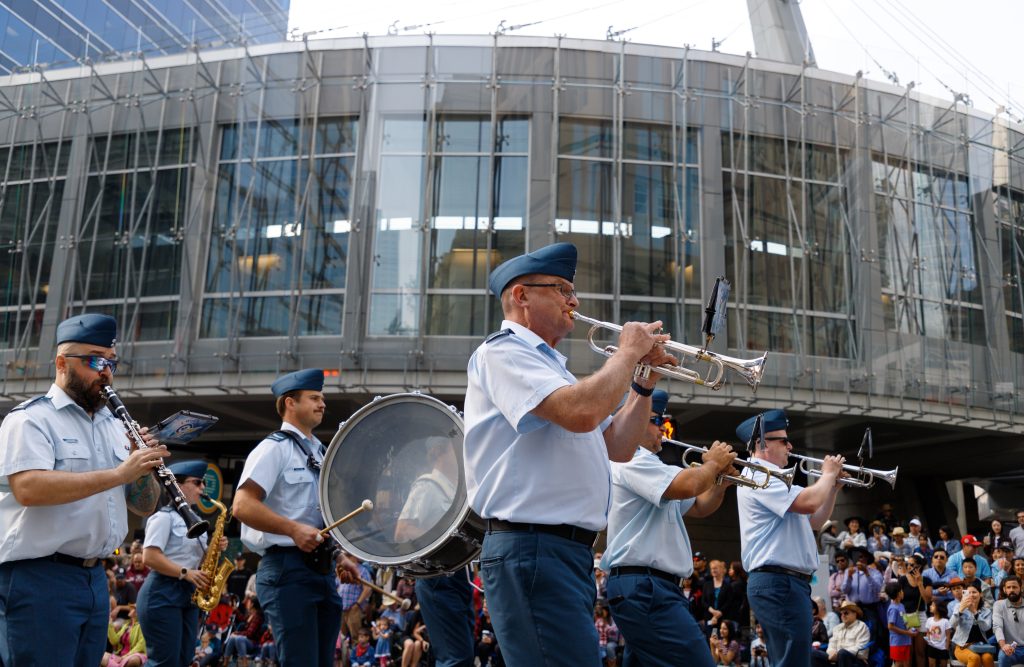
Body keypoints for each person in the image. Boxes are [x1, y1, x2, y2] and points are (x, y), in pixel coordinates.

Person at [463, 242, 673, 665]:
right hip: (532, 545)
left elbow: (619, 446)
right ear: (522, 296)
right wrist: (629, 352)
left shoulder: (554, 368)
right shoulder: (502, 351)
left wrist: (644, 379)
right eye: (561, 289)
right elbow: (580, 412)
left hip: (561, 551)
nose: (574, 301)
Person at [0, 313, 167, 666]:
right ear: (62, 363)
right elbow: (29, 488)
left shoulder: (114, 424)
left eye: (111, 363)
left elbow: (145, 506)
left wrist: (142, 468)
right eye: (94, 361)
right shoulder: (31, 419)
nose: (105, 371)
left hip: (93, 578)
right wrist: (121, 473)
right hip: (40, 577)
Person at [232, 368, 360, 667]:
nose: (322, 404)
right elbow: (242, 505)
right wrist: (292, 530)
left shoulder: (320, 451)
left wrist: (339, 557)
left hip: (321, 568)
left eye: (322, 398)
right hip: (286, 569)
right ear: (290, 403)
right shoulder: (272, 449)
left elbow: (316, 519)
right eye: (314, 398)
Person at [600, 389, 737, 666]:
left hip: (650, 587)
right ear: (630, 420)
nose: (662, 427)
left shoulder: (653, 465)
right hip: (646, 586)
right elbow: (690, 484)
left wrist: (721, 483)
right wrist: (711, 465)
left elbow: (698, 505)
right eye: (655, 420)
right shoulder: (630, 460)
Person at [735, 409, 845, 667]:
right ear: (762, 444)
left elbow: (814, 520)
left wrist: (833, 488)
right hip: (779, 581)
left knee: (792, 659)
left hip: (785, 583)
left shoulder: (775, 480)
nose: (790, 446)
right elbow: (808, 503)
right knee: (793, 661)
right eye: (783, 440)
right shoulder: (758, 476)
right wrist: (827, 474)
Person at [394, 437, 475, 667]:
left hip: (456, 575)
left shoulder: (451, 487)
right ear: (439, 452)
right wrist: (444, 541)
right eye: (453, 450)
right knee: (455, 657)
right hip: (437, 577)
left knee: (463, 653)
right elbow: (402, 530)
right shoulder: (428, 485)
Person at [137, 459, 223, 667]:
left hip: (187, 594)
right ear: (178, 485)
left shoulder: (195, 518)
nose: (203, 487)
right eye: (197, 482)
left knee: (184, 659)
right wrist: (186, 572)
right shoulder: (163, 517)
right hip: (162, 592)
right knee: (164, 661)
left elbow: (198, 562)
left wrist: (214, 548)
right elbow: (149, 557)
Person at [950, 584, 996, 667]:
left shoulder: (987, 611)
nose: (971, 595)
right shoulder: (958, 607)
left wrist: (975, 612)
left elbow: (986, 628)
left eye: (974, 592)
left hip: (982, 647)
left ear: (980, 594)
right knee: (974, 658)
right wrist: (960, 611)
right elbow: (952, 624)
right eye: (968, 593)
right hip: (962, 647)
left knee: (988, 658)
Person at [817, 601, 870, 667]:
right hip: (836, 658)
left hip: (855, 659)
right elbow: (832, 643)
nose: (843, 615)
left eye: (846, 613)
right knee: (814, 653)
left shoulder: (862, 626)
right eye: (841, 613)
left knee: (842, 653)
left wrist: (838, 653)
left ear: (855, 614)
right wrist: (831, 652)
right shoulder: (837, 628)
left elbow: (860, 648)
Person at [992, 576, 1024, 667]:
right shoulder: (999, 605)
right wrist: (1004, 646)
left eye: (1014, 587)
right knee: (1003, 656)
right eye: (1008, 587)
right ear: (1004, 590)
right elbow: (997, 627)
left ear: (1021, 588)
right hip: (1009, 647)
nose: (1011, 590)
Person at [887, 581, 916, 667]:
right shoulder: (893, 608)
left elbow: (905, 621)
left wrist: (912, 629)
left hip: (905, 640)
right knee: (899, 663)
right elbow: (890, 626)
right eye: (902, 591)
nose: (903, 592)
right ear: (898, 593)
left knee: (906, 663)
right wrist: (908, 633)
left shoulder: (901, 605)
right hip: (897, 642)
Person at [923, 601, 950, 667]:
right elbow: (928, 632)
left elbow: (948, 635)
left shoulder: (945, 621)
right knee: (931, 664)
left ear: (939, 608)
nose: (930, 606)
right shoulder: (929, 620)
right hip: (931, 646)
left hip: (943, 647)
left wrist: (946, 646)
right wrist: (928, 640)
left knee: (944, 665)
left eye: (933, 605)